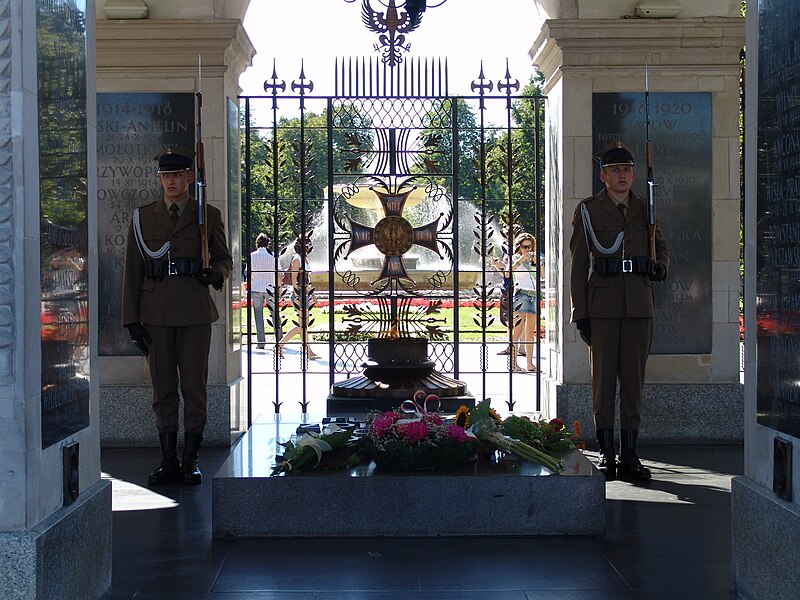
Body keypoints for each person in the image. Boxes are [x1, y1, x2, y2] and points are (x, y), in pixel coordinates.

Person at [122, 146, 233, 485]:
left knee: (194, 388)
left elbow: (224, 259)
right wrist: (131, 320)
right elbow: (133, 270)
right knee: (164, 389)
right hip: (155, 313)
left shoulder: (207, 215)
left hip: (195, 312)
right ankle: (168, 458)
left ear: (189, 177)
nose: (169, 181)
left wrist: (215, 274)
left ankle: (190, 458)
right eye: (164, 176)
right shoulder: (143, 217)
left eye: (175, 175)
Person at [569, 140, 668, 482]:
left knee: (633, 384)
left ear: (634, 174)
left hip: (639, 306)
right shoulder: (589, 210)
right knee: (603, 382)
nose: (622, 175)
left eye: (627, 170)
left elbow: (662, 247)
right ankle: (606, 452)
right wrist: (580, 312)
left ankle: (629, 453)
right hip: (604, 307)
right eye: (615, 170)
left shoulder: (645, 207)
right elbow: (579, 263)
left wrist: (659, 267)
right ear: (603, 176)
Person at [277, 238, 320, 360]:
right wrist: (297, 296)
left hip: (304, 294)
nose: (309, 246)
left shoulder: (303, 258)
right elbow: (295, 279)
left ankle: (309, 352)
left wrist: (312, 294)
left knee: (303, 325)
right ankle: (280, 345)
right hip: (299, 294)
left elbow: (306, 280)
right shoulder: (297, 259)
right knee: (302, 325)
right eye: (307, 244)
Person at [506, 232, 540, 372]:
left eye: (530, 247)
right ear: (519, 247)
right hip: (521, 295)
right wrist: (521, 259)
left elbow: (543, 275)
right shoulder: (514, 258)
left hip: (534, 295)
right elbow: (508, 273)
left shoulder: (534, 259)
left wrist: (538, 262)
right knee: (517, 330)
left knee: (530, 332)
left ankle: (530, 363)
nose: (527, 250)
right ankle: (513, 363)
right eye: (525, 247)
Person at [249, 232, 282, 350]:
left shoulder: (252, 256)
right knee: (275, 314)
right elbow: (279, 274)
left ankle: (261, 342)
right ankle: (279, 340)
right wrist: (279, 288)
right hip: (270, 288)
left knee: (258, 316)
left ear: (257, 243)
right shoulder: (273, 256)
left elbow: (250, 273)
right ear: (268, 244)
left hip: (257, 287)